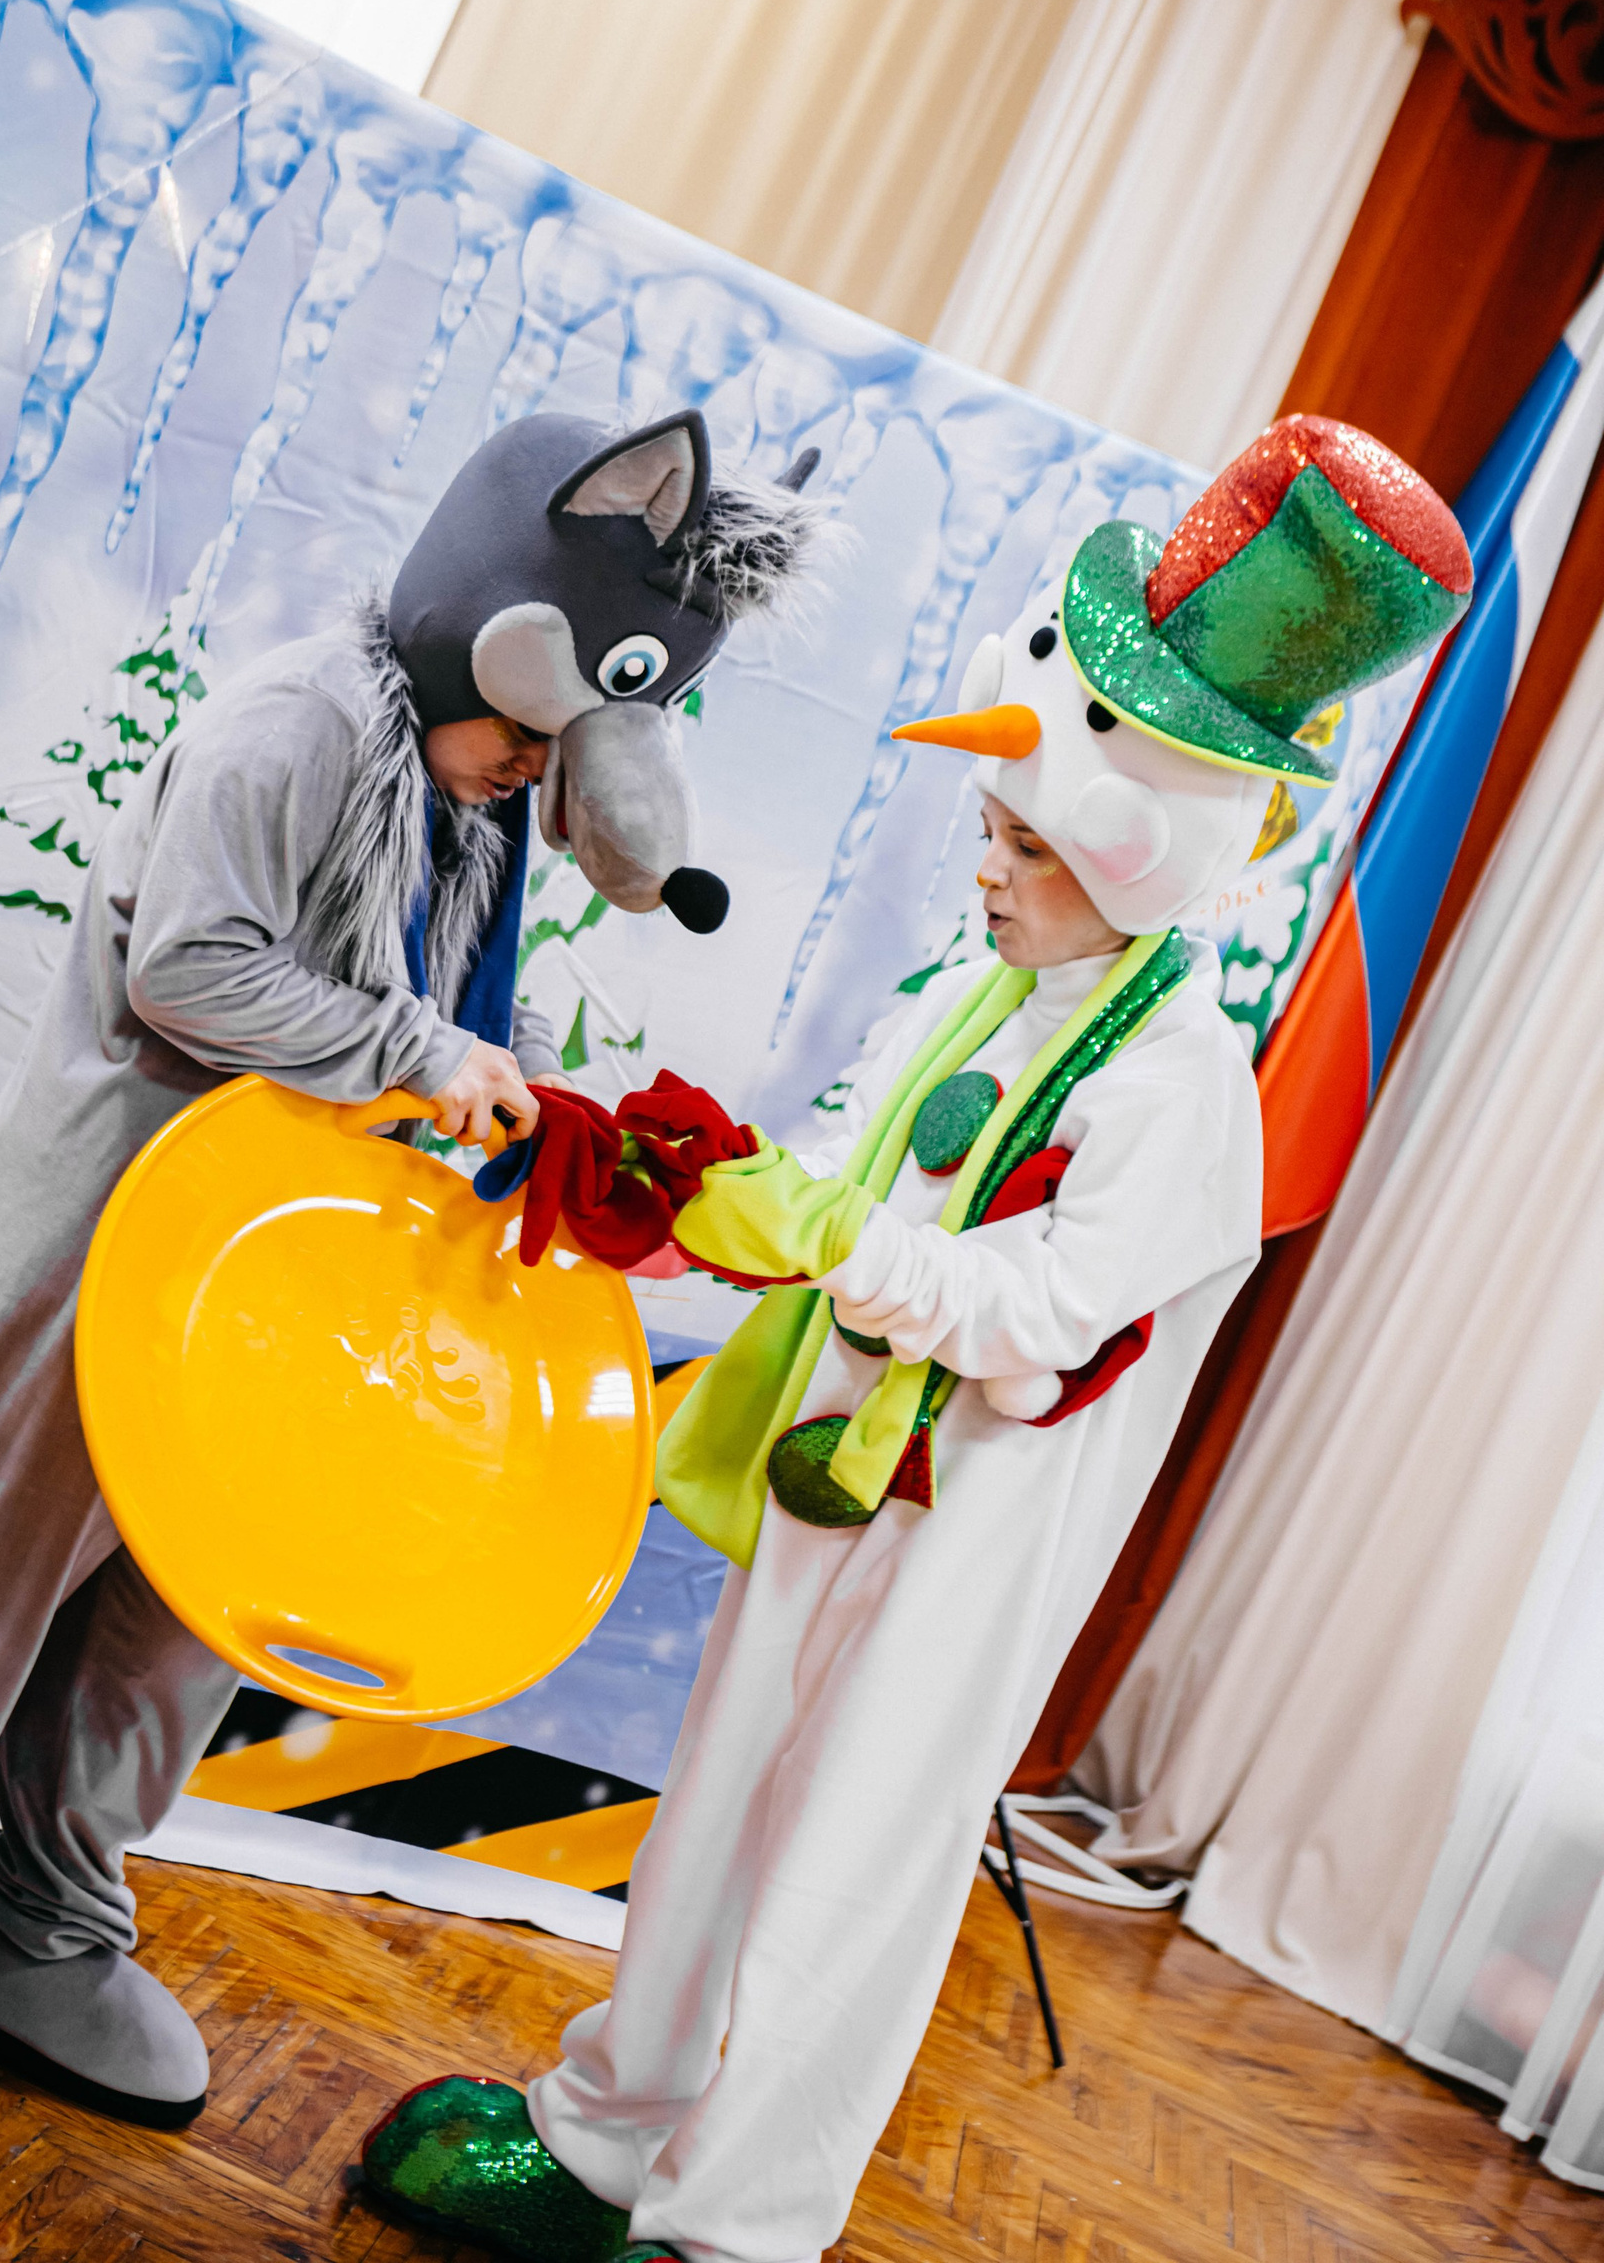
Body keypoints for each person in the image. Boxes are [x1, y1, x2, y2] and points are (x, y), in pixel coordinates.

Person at [358, 414, 1475, 2263]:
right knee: (714, 1816)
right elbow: (847, 1174)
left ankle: (733, 2230)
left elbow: (1036, 1315)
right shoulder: (981, 986)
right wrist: (686, 1178)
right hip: (830, 1484)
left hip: (967, 1543)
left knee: (844, 1881)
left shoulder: (1186, 1088)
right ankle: (608, 2134)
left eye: (1028, 842)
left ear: (1146, 848)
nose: (993, 867)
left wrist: (823, 1234)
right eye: (992, 832)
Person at [0, 405, 820, 2160]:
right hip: (101, 1242)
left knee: (179, 1631)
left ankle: (42, 1929)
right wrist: (420, 1054)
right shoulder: (298, 725)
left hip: (267, 1288)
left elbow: (459, 987)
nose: (535, 768)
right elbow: (191, 968)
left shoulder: (470, 791)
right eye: (529, 731)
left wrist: (520, 1095)